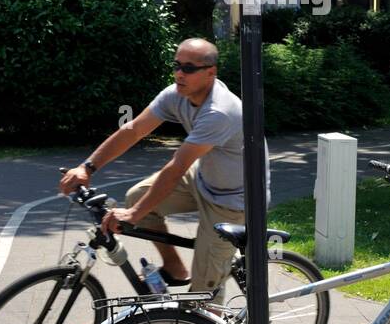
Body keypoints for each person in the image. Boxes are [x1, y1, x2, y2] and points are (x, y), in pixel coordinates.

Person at [58, 38, 269, 304]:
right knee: (138, 197)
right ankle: (175, 268)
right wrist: (87, 167)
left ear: (210, 73)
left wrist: (134, 215)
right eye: (177, 65)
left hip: (232, 201)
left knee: (202, 296)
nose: (180, 73)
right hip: (202, 178)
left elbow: (176, 166)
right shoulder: (176, 94)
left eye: (189, 68)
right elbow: (133, 130)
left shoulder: (220, 111)